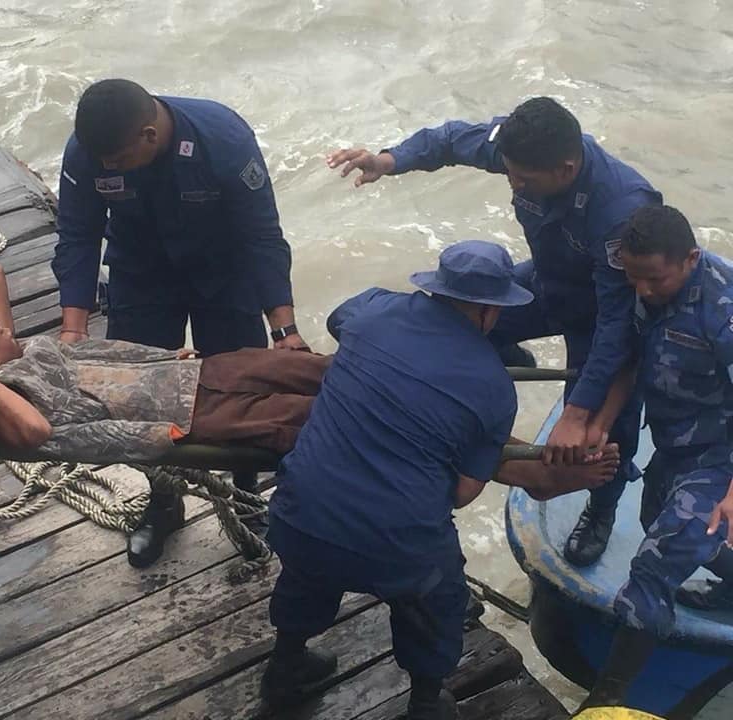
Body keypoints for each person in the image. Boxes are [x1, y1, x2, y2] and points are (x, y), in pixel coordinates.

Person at [0, 261, 618, 568]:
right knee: (334, 425)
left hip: (197, 371)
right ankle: (526, 472)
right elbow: (37, 435)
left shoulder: (3, 358)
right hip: (194, 422)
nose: (9, 330)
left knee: (345, 375)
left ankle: (512, 449)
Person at [259, 241, 621, 720]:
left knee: (307, 574)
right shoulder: (493, 387)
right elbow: (462, 492)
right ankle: (427, 701)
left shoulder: (370, 312)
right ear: (492, 311)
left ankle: (285, 666)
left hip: (296, 514)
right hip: (396, 545)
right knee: (437, 597)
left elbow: (338, 321)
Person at [329, 96, 662, 567]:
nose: (513, 182)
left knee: (603, 432)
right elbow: (450, 140)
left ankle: (602, 509)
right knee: (455, 328)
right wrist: (389, 159)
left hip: (601, 317)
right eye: (509, 172)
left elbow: (617, 324)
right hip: (546, 283)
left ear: (566, 170)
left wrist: (579, 412)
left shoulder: (621, 210)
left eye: (523, 180)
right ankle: (505, 361)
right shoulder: (522, 149)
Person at [53, 78, 306, 560]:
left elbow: (262, 237)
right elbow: (77, 236)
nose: (107, 168)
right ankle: (164, 502)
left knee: (241, 394)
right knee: (140, 396)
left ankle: (246, 495)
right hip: (141, 274)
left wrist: (284, 330)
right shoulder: (91, 149)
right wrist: (73, 329)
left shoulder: (224, 142)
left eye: (118, 162)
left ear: (149, 135)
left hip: (223, 275)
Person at [579, 206, 733, 709]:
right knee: (655, 522)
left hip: (721, 455)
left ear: (690, 258)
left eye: (653, 279)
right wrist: (599, 423)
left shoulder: (724, 308)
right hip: (673, 441)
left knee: (655, 563)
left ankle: (606, 700)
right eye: (633, 277)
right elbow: (631, 358)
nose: (641, 290)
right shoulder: (645, 285)